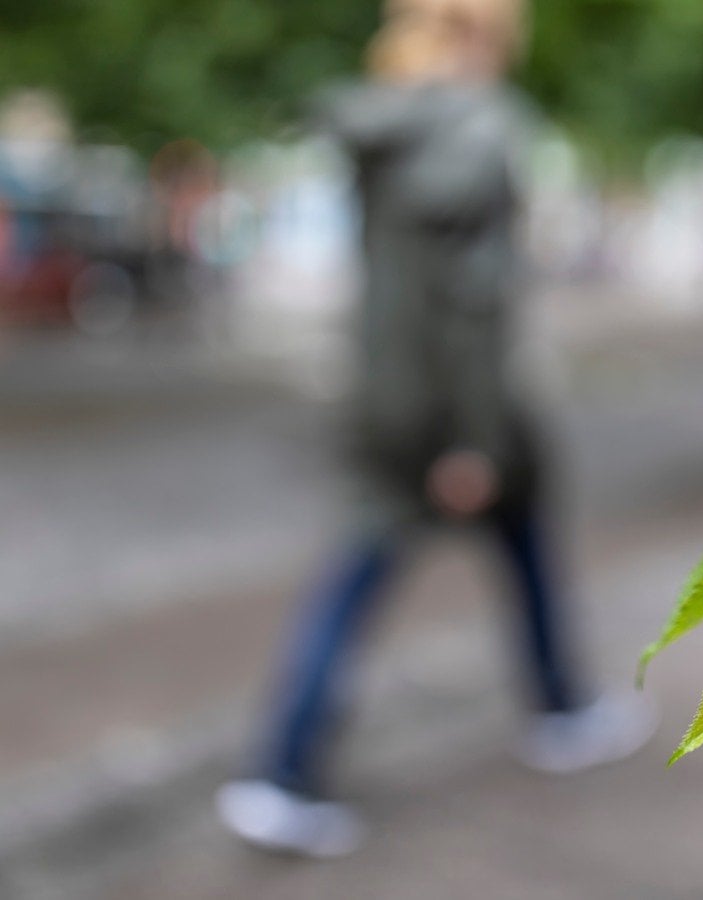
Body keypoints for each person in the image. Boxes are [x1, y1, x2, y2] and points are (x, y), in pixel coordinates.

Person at [215, 0, 656, 858]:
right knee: (377, 569)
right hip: (455, 410)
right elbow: (471, 308)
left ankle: (560, 703)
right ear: (485, 38)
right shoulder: (477, 132)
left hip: (383, 395)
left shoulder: (381, 128)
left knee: (504, 544)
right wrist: (476, 441)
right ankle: (282, 772)